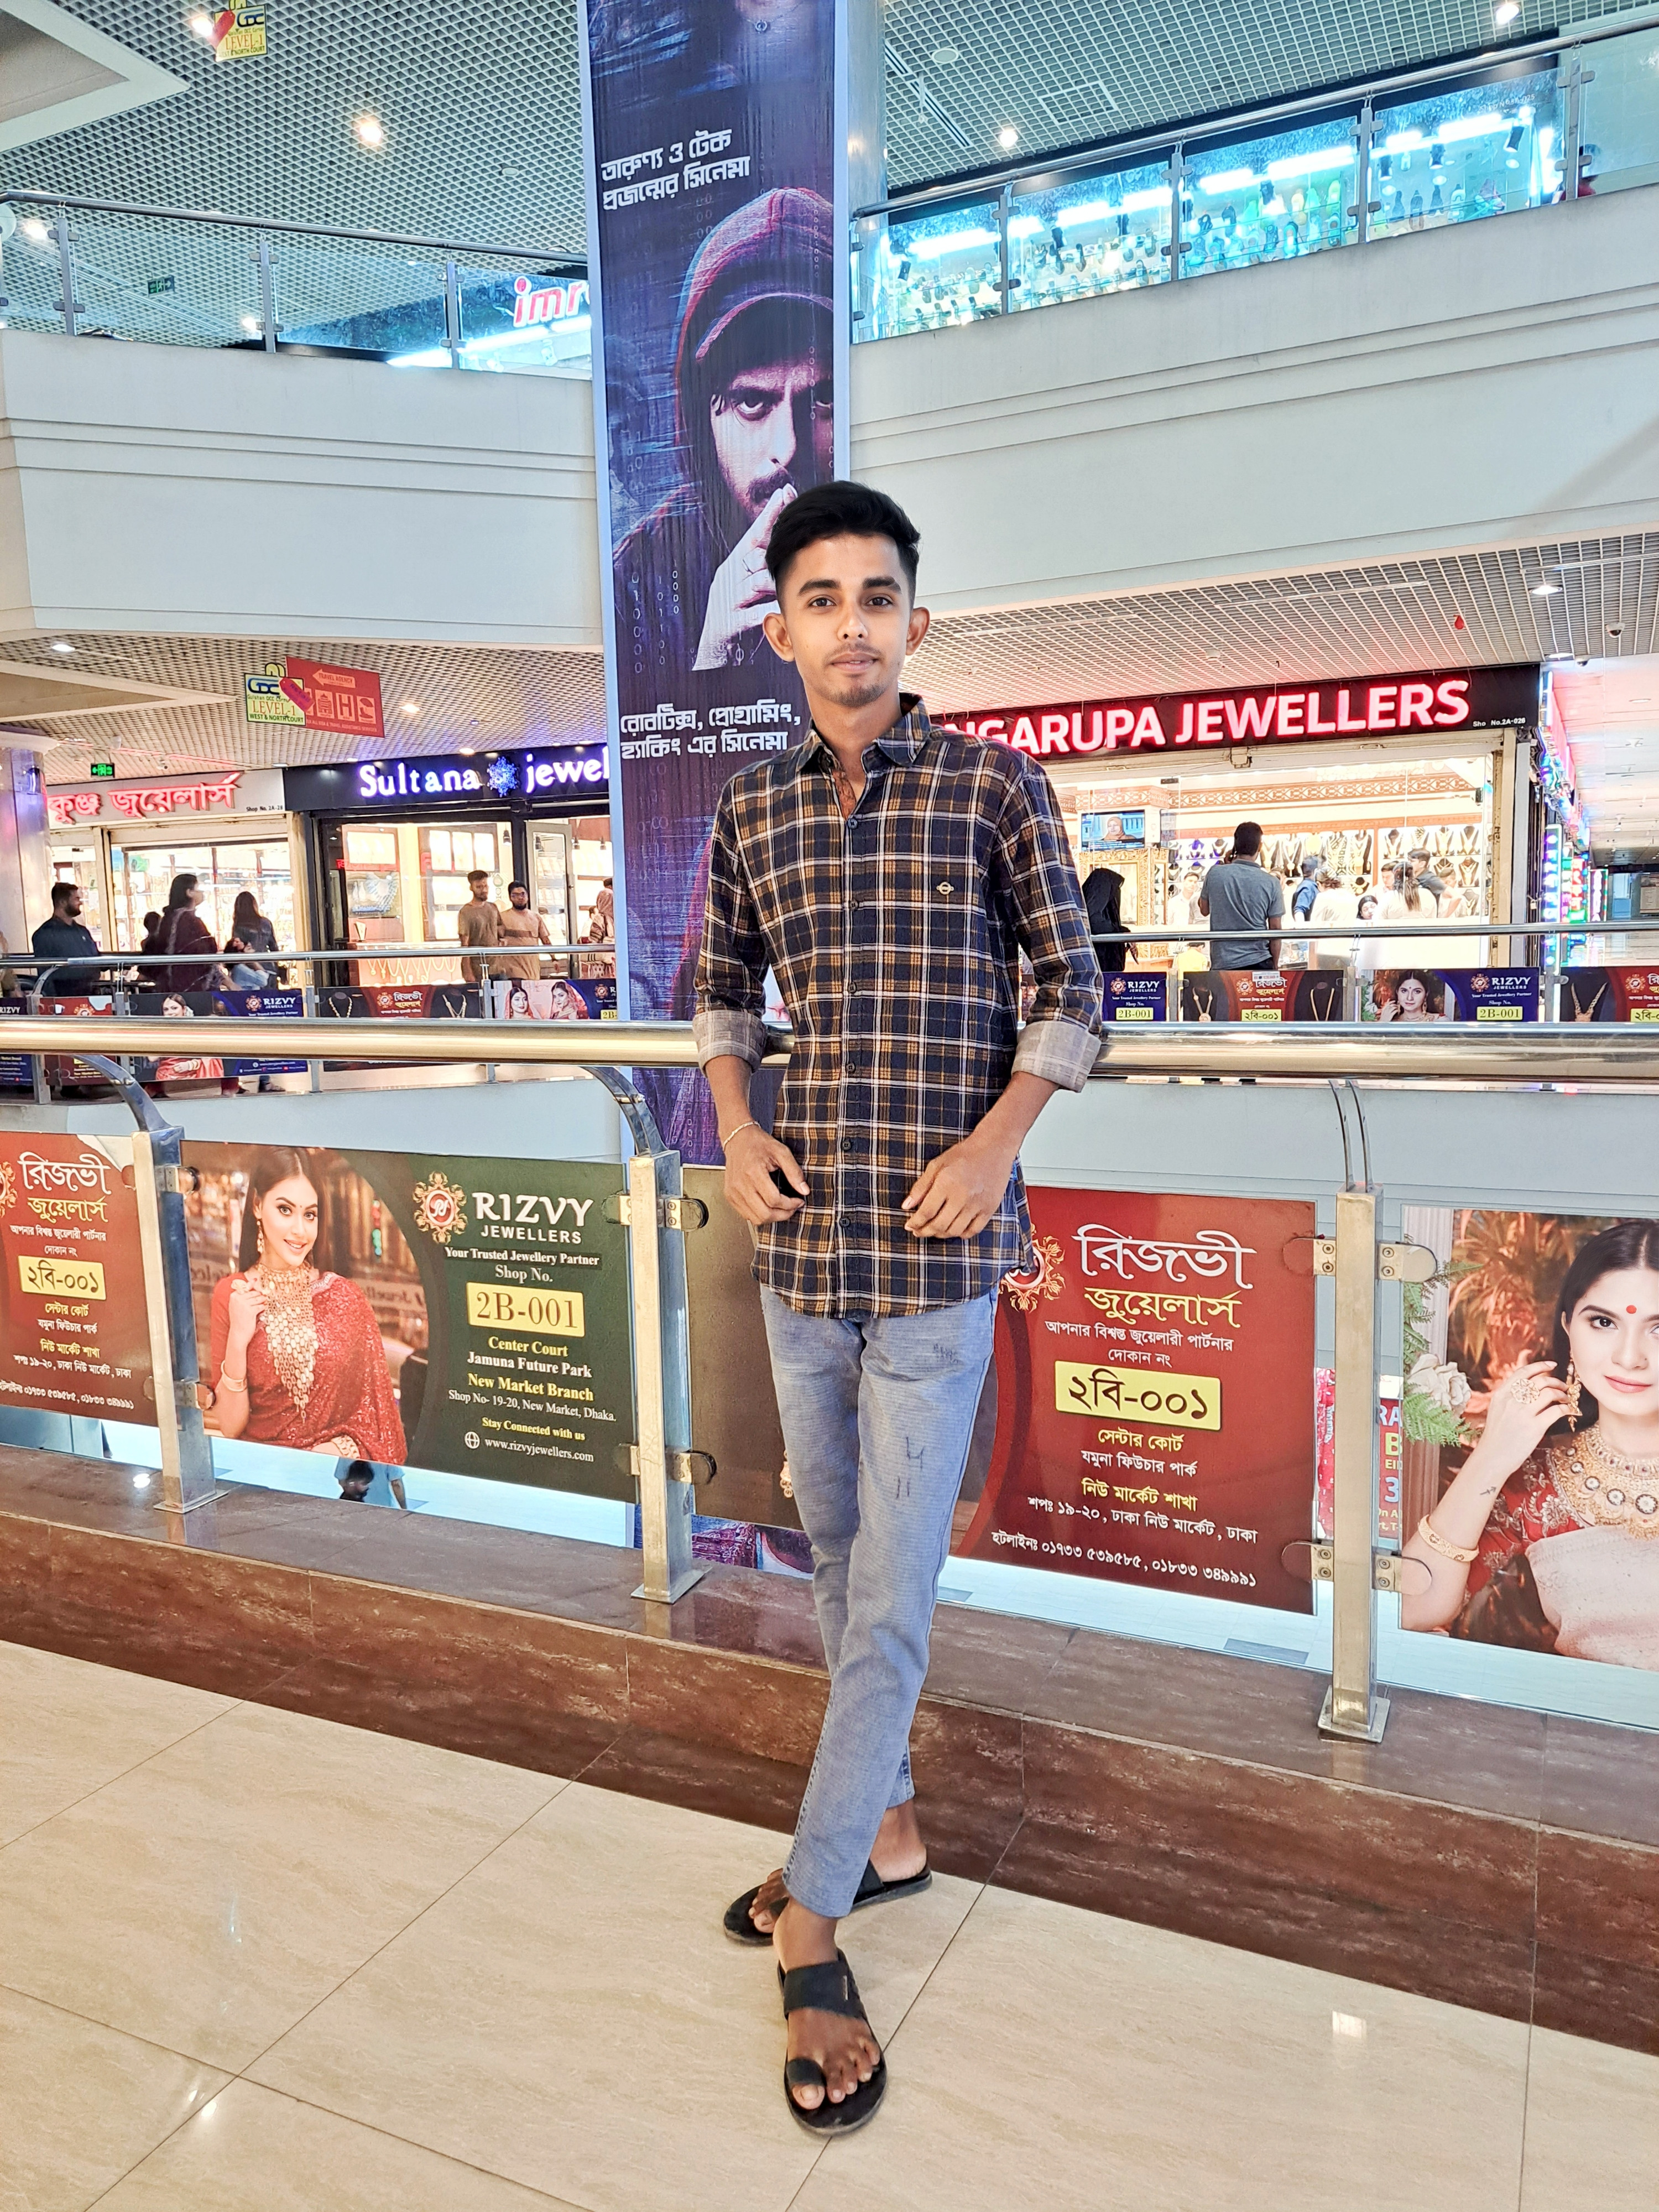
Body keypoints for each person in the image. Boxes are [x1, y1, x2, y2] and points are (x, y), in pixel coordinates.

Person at [694, 480, 1101, 2132]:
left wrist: (994, 1149)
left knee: (888, 1598)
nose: (850, 625)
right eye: (821, 598)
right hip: (801, 1249)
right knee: (837, 1560)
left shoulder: (994, 787)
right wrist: (734, 1129)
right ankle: (892, 1829)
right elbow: (719, 989)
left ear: (913, 623)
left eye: (876, 597)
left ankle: (814, 1918)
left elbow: (1074, 988)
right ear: (779, 628)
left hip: (936, 1257)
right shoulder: (749, 809)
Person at [1401, 1219, 1659, 1668]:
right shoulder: (1540, 1481)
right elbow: (1406, 1609)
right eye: (1603, 1322)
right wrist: (1491, 1456)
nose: (1628, 1356)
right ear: (1568, 1326)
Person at [614, 188, 835, 685]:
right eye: (751, 402)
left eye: (822, 400)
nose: (788, 448)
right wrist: (714, 658)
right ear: (700, 420)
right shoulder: (636, 583)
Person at [207, 1148, 407, 1462]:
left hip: (329, 1475)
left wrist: (332, 1452)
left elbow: (376, 1418)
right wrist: (238, 1339)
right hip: (259, 1475)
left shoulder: (345, 1298)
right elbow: (230, 1427)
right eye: (285, 1210)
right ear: (258, 1206)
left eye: (310, 1215)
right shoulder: (233, 1294)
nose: (300, 1230)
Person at [1197, 821, 1285, 970]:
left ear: (1235, 845)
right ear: (1260, 847)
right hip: (1259, 960)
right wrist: (1275, 966)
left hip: (1224, 963)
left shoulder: (1215, 874)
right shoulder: (1272, 883)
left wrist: (1226, 867)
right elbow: (1275, 929)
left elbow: (1204, 910)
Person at [152, 875, 222, 994]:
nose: (201, 893)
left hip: (170, 985)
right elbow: (206, 953)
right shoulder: (190, 921)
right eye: (198, 889)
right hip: (193, 986)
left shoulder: (168, 919)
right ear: (189, 893)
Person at [30, 881, 103, 995]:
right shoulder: (45, 934)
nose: (80, 903)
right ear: (63, 902)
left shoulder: (82, 931)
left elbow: (96, 958)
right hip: (65, 995)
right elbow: (45, 974)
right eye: (76, 899)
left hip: (93, 992)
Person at [495, 880, 552, 983]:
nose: (520, 898)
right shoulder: (502, 917)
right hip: (512, 971)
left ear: (527, 896)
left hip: (533, 969)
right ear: (510, 898)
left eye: (523, 894)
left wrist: (554, 959)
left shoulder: (536, 917)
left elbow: (545, 940)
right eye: (515, 895)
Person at [225, 889, 279, 988]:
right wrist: (276, 965)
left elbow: (236, 949)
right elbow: (274, 947)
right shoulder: (266, 923)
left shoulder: (240, 926)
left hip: (251, 971)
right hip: (269, 967)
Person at [1083, 866, 1131, 974]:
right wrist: (1121, 932)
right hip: (1102, 965)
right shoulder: (1094, 909)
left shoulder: (1093, 904)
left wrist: (1123, 934)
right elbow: (1094, 923)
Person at [456, 868, 500, 986]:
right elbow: (465, 943)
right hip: (478, 968)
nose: (484, 890)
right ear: (472, 888)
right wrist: (467, 970)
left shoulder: (493, 907)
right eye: (479, 887)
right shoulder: (466, 912)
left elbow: (501, 929)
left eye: (485, 886)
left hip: (498, 966)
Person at [1309, 870, 1359, 968]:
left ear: (1319, 884)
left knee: (1327, 977)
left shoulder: (1323, 897)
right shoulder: (1351, 897)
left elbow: (1315, 927)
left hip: (1327, 950)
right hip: (1347, 948)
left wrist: (1312, 959)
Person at [1372, 969, 1452, 1023]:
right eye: (1404, 991)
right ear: (1397, 992)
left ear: (1426, 994)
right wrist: (1383, 1024)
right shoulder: (1388, 1021)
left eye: (1417, 992)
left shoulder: (1439, 1021)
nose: (1410, 998)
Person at [1352, 890, 1382, 976]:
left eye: (1373, 907)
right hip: (1364, 958)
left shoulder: (1384, 923)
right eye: (1366, 909)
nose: (1370, 911)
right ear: (1361, 913)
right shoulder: (1358, 925)